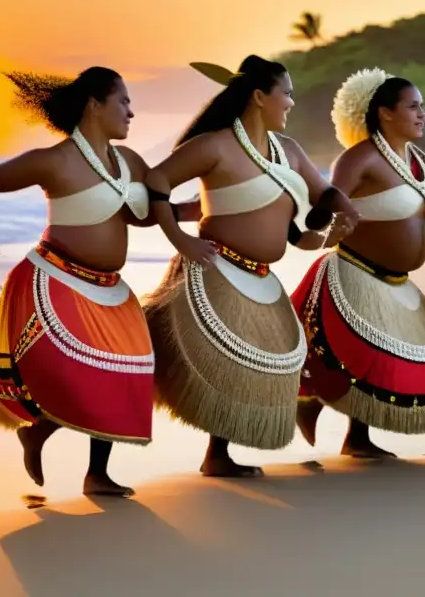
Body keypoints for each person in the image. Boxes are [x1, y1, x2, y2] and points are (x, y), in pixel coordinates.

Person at [0, 67, 200, 497]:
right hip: (55, 277)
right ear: (94, 105)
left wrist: (186, 212)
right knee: (80, 369)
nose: (131, 111)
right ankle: (38, 431)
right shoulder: (54, 160)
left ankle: (92, 471)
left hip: (108, 286)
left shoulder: (130, 163)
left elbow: (140, 214)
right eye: (123, 101)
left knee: (124, 371)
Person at [143, 55, 359, 478]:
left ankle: (217, 455)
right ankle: (47, 426)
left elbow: (322, 193)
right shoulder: (215, 145)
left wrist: (340, 214)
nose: (292, 103)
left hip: (260, 276)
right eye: (288, 94)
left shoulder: (289, 152)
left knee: (255, 364)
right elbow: (155, 182)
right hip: (214, 266)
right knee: (187, 363)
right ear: (260, 96)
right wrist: (179, 238)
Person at [292, 69, 425, 458]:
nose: (421, 114)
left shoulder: (418, 162)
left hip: (397, 280)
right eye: (413, 106)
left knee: (384, 358)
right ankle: (315, 408)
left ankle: (354, 435)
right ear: (385, 114)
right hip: (355, 271)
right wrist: (327, 225)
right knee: (357, 356)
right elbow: (323, 205)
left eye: (422, 106)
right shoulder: (358, 158)